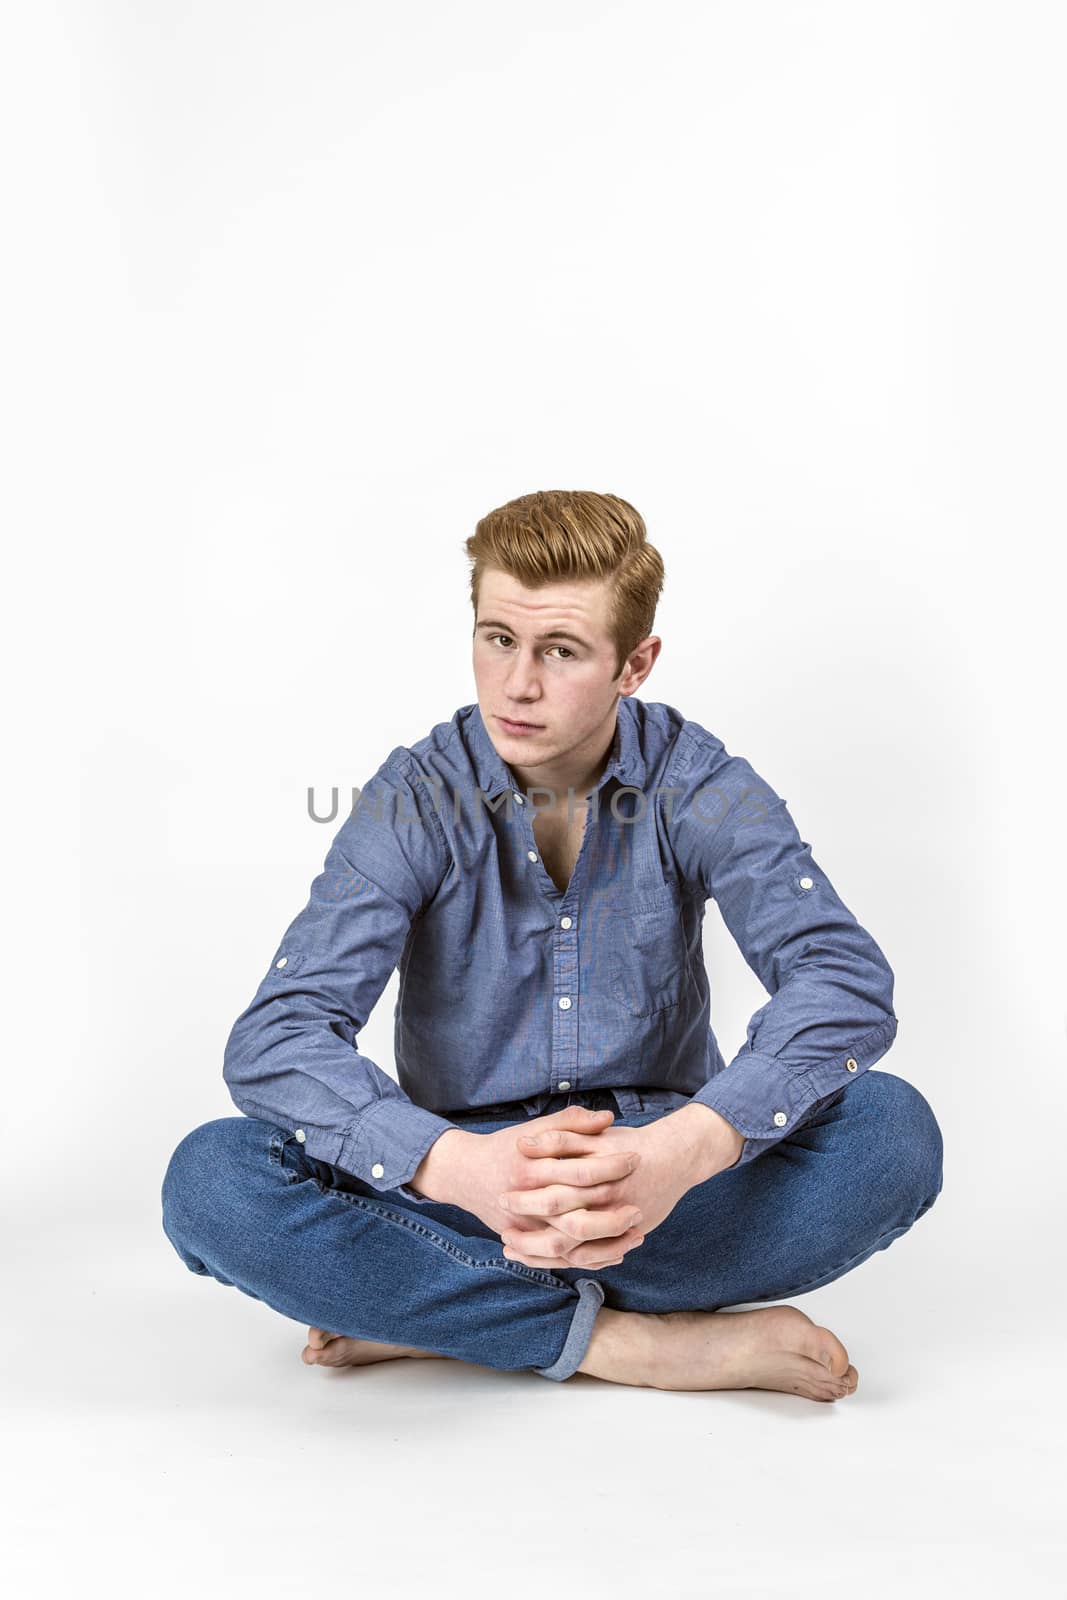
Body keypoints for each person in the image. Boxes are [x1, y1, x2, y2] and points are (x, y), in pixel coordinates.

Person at [161, 489, 943, 1399]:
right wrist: (460, 1168)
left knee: (892, 1132)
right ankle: (633, 1344)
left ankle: (434, 1309)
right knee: (212, 1179)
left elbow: (839, 979)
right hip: (463, 1186)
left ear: (633, 664)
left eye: (560, 651)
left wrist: (680, 1154)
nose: (516, 684)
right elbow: (278, 1036)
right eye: (497, 639)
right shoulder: (416, 795)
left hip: (655, 1182)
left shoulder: (701, 783)